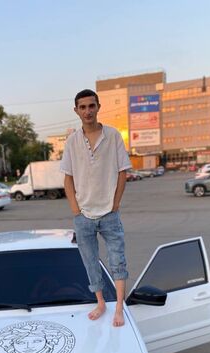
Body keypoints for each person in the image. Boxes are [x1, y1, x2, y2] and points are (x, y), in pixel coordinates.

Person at [61, 89, 131, 327]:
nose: (87, 111)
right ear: (76, 111)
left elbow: (123, 172)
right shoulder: (72, 141)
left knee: (117, 260)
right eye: (82, 107)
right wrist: (75, 210)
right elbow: (68, 178)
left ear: (98, 107)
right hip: (83, 215)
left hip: (109, 213)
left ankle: (119, 307)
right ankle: (100, 303)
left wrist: (115, 203)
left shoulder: (113, 136)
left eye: (91, 106)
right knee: (90, 262)